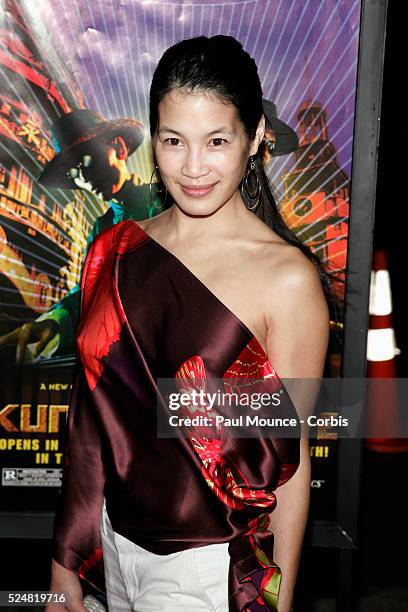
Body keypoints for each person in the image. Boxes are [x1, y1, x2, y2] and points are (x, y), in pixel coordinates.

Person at [47, 35, 335, 612]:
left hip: (206, 571)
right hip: (109, 548)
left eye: (218, 141)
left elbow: (289, 465)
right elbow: (88, 423)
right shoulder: (114, 250)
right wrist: (63, 564)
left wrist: (277, 601)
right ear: (153, 140)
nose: (193, 167)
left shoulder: (287, 280)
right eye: (174, 141)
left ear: (255, 139)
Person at [0, 109, 167, 361]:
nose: (85, 180)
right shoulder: (101, 229)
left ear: (119, 147)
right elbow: (90, 291)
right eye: (74, 173)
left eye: (87, 160)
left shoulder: (166, 201)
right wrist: (54, 322)